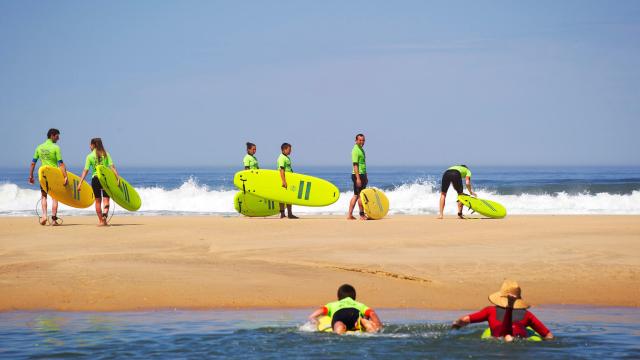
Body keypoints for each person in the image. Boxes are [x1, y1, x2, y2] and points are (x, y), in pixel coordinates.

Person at [451, 279, 554, 342]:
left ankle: (507, 334)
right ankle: (509, 333)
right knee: (512, 335)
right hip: (519, 334)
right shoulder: (527, 314)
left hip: (498, 333)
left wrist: (456, 325)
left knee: (504, 335)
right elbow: (548, 335)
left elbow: (465, 319)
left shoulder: (490, 311)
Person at [28, 128, 68, 226]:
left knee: (44, 196)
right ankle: (54, 220)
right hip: (54, 175)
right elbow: (60, 164)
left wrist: (31, 175)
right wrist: (65, 176)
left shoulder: (39, 147)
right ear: (52, 135)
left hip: (43, 175)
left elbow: (33, 163)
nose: (58, 139)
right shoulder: (56, 148)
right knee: (55, 197)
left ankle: (44, 216)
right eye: (57, 136)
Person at [77, 138, 120, 226]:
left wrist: (80, 182)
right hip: (105, 179)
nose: (89, 146)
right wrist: (117, 178)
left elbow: (86, 170)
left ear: (93, 145)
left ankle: (101, 221)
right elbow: (112, 167)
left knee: (97, 201)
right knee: (106, 200)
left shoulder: (89, 156)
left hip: (95, 179)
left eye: (90, 144)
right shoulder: (106, 154)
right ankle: (104, 215)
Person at [308, 284, 382, 334]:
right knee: (358, 321)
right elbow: (372, 313)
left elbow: (313, 315)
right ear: (354, 298)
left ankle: (340, 327)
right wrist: (378, 325)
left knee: (338, 325)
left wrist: (315, 322)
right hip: (355, 312)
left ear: (338, 297)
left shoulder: (332, 304)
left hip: (339, 314)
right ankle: (361, 322)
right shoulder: (359, 305)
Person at [347, 134, 367, 220]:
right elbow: (355, 165)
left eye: (363, 140)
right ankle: (361, 215)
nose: (362, 142)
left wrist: (366, 175)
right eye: (360, 140)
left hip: (362, 174)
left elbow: (363, 164)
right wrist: (358, 178)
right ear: (356, 140)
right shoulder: (355, 150)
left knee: (356, 195)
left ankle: (350, 215)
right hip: (357, 175)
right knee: (359, 196)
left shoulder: (361, 150)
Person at [277, 143, 298, 219]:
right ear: (284, 149)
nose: (290, 151)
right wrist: (283, 181)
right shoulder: (281, 158)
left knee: (289, 197)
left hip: (289, 179)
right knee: (282, 197)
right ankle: (282, 214)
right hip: (284, 180)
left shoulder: (287, 158)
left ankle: (290, 213)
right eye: (289, 149)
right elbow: (281, 170)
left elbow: (289, 169)